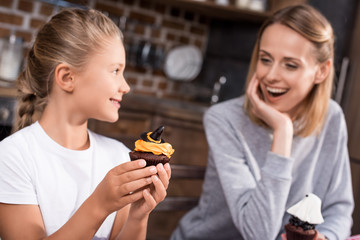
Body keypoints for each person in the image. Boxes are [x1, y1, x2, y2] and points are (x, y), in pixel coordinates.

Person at [171, 4, 353, 240]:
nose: (271, 75)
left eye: (290, 65)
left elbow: (339, 208)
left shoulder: (332, 118)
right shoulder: (224, 120)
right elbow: (258, 233)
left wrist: (326, 238)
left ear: (321, 71)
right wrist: (283, 132)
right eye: (265, 59)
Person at [0, 8, 171, 240]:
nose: (126, 86)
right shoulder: (13, 157)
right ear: (67, 78)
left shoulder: (119, 156)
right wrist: (99, 205)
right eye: (115, 71)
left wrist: (138, 216)